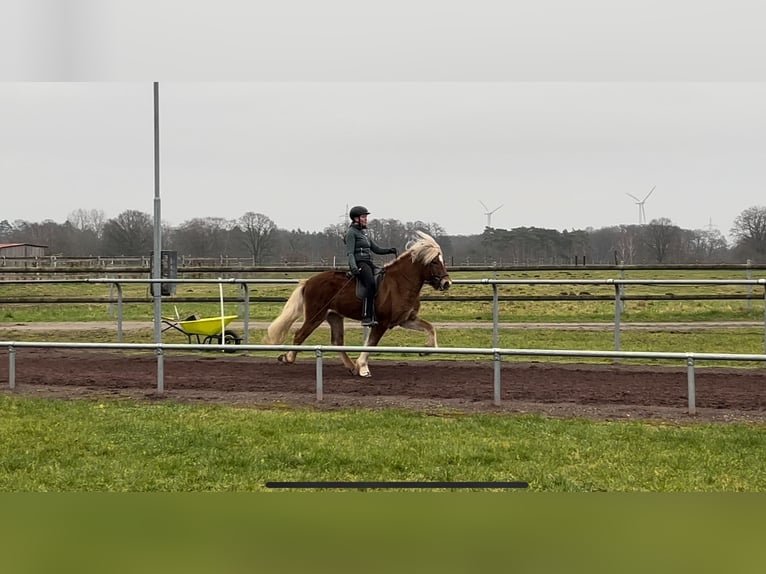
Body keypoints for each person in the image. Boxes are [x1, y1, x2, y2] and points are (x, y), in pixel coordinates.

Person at [345, 205, 398, 327]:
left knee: (383, 278)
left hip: (369, 262)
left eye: (365, 217)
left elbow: (376, 249)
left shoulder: (364, 233)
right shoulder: (351, 233)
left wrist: (390, 250)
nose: (366, 219)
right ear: (356, 218)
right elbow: (350, 253)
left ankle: (378, 311)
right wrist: (353, 267)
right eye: (363, 217)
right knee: (370, 283)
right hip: (360, 263)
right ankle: (366, 315)